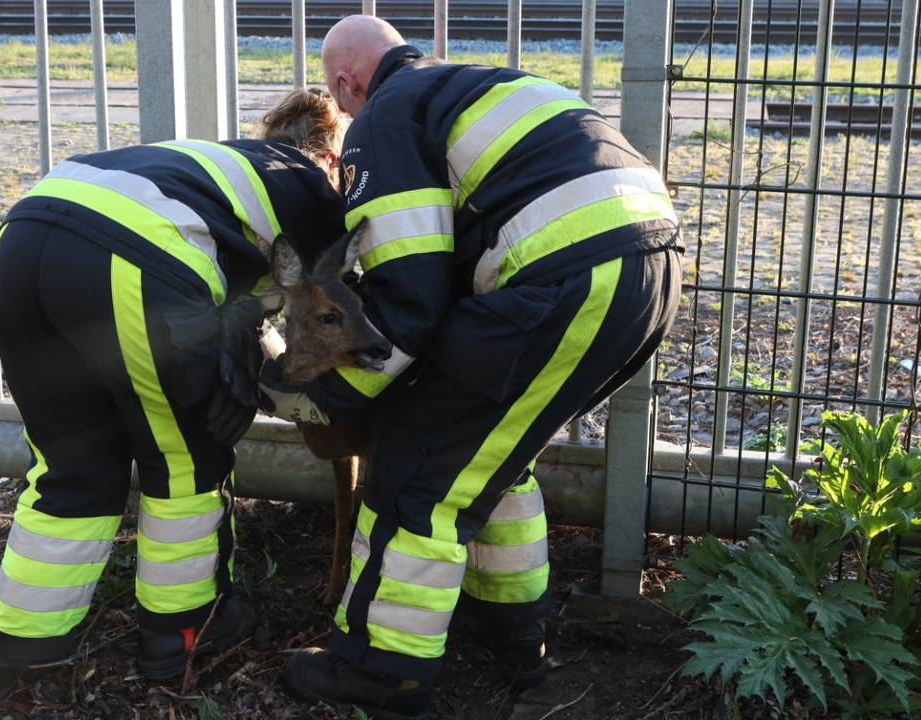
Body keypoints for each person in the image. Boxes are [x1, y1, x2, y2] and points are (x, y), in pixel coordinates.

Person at [259, 16, 683, 720]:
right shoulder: (475, 85)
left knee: (414, 474)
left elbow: (407, 298)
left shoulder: (384, 120)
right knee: (487, 460)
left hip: (563, 280)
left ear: (345, 84)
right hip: (648, 273)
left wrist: (327, 394)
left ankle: (380, 671)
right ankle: (511, 633)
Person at [0, 89, 350, 699]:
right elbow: (330, 307)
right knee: (183, 460)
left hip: (20, 245)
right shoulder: (309, 182)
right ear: (330, 157)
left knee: (71, 461)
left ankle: (14, 647)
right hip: (130, 260)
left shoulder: (212, 166)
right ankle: (183, 632)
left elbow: (248, 303)